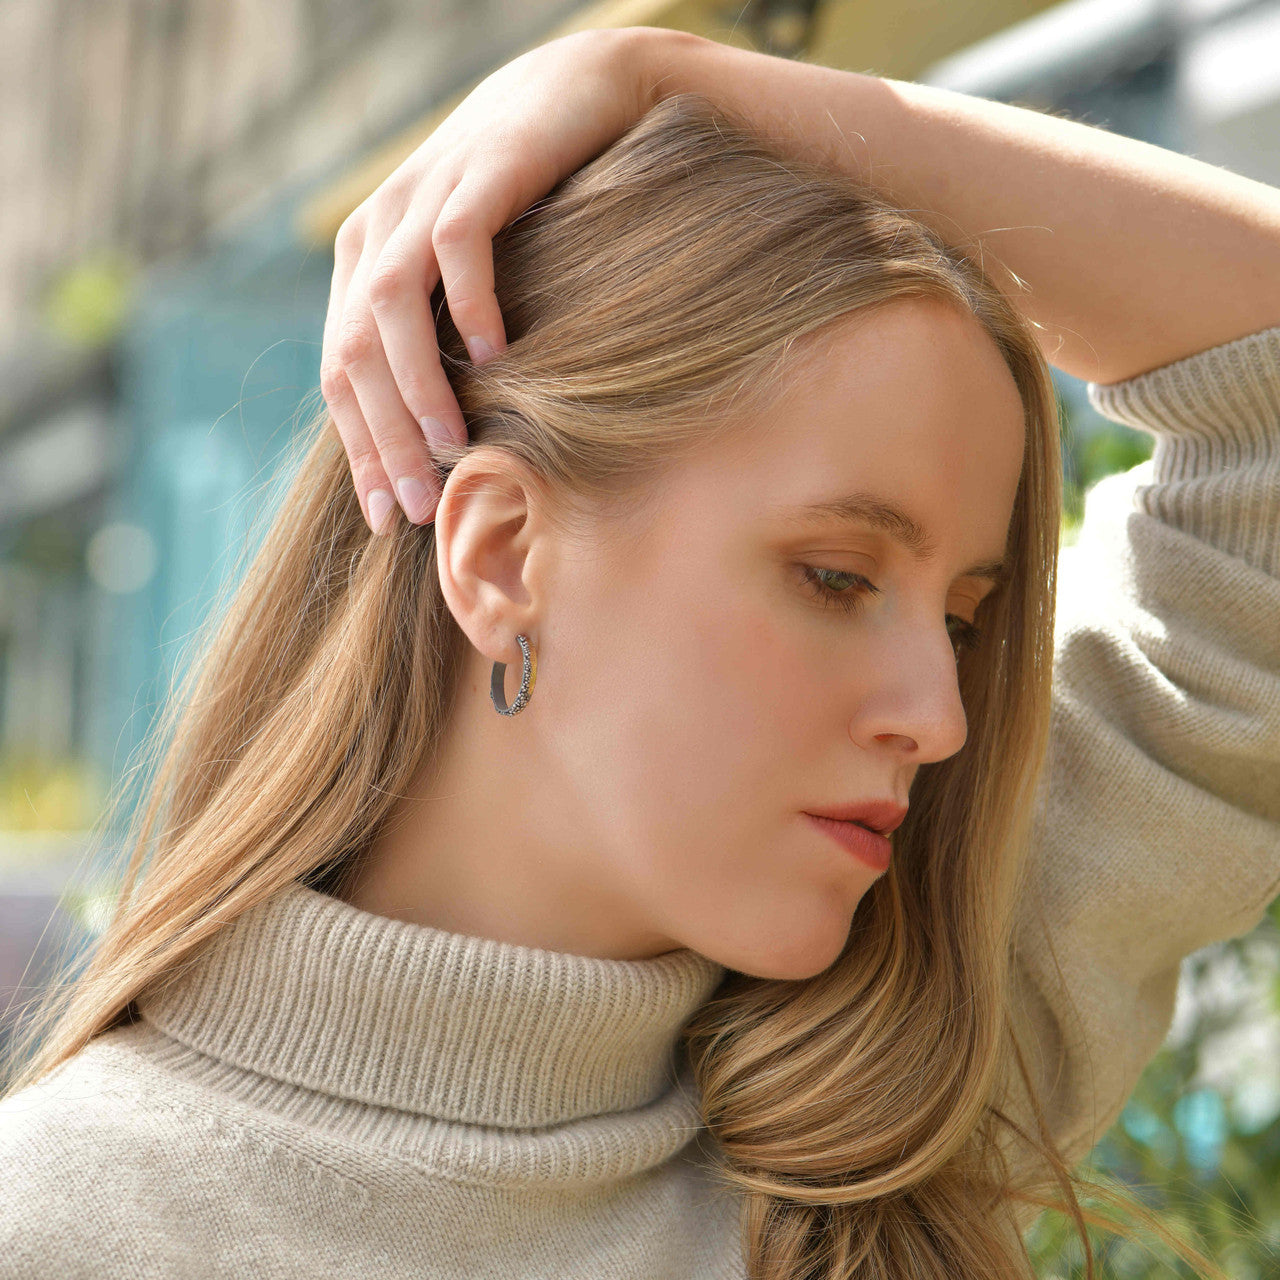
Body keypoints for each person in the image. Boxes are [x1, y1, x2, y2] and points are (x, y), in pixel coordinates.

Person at [1, 26, 1277, 1280]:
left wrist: (670, 78)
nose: (937, 717)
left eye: (959, 619)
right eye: (835, 577)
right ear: (501, 555)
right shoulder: (66, 1223)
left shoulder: (898, 1084)